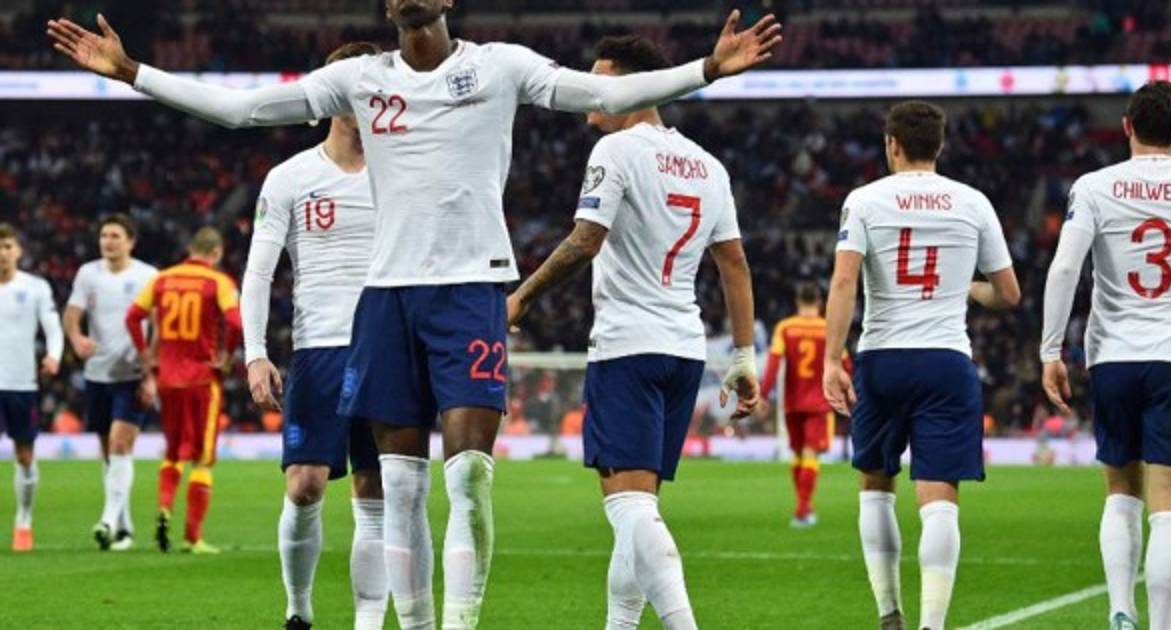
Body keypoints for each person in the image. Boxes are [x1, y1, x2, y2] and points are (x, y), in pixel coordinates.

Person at [48, 4, 780, 627]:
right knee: (398, 490)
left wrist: (705, 70)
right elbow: (241, 109)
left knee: (469, 480)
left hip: (471, 292)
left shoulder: (501, 65)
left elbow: (605, 91)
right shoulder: (360, 79)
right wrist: (132, 72)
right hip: (386, 299)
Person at [507, 36, 760, 630]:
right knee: (638, 509)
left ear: (633, 85)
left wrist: (520, 297)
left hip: (627, 346)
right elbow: (734, 263)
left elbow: (584, 242)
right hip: (683, 350)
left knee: (628, 510)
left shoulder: (616, 150)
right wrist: (744, 356)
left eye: (601, 83)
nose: (591, 98)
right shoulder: (708, 165)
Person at [822, 101, 1021, 630]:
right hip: (946, 360)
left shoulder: (864, 200)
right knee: (939, 501)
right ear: (940, 145)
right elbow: (1008, 293)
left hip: (882, 359)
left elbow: (843, 281)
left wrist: (831, 360)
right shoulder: (973, 202)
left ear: (892, 144)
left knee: (875, 486)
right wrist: (968, 288)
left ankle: (889, 612)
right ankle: (933, 623)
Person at [1041, 81, 1171, 630]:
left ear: (1127, 126)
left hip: (1113, 356)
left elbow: (1066, 267)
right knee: (1170, 504)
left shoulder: (1093, 186)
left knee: (1120, 491)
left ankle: (1120, 610)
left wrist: (1050, 350)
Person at [242, 41, 389, 630]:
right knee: (304, 487)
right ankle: (298, 609)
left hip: (388, 348)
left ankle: (368, 622)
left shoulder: (403, 171)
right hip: (318, 348)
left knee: (376, 492)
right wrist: (255, 354)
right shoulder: (290, 177)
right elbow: (258, 272)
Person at [125, 227, 242, 555]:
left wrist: (146, 355)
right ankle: (193, 537)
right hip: (202, 379)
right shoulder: (219, 282)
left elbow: (133, 317)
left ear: (191, 249)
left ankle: (165, 509)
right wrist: (226, 357)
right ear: (216, 253)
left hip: (168, 379)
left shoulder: (162, 279)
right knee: (202, 460)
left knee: (174, 453)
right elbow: (235, 323)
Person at [64, 213, 158, 551]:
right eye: (104, 235)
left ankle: (106, 520)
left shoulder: (148, 276)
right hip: (97, 373)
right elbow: (72, 316)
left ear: (131, 241)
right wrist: (76, 338)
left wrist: (151, 371)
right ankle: (124, 528)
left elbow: (159, 325)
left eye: (116, 236)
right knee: (110, 455)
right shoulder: (88, 274)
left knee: (120, 445)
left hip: (131, 375)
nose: (108, 241)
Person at [762, 282, 847, 528]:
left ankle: (804, 508)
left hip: (792, 402)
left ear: (798, 302)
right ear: (819, 302)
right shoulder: (828, 328)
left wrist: (764, 394)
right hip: (820, 401)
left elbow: (773, 363)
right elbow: (845, 364)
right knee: (810, 454)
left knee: (798, 454)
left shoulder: (785, 328)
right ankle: (802, 510)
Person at [0, 223, 63, 552]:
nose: (2, 254)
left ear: (18, 251)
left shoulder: (35, 287)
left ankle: (23, 521)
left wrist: (54, 355)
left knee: (24, 454)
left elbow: (52, 327)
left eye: (7, 247)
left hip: (21, 383)